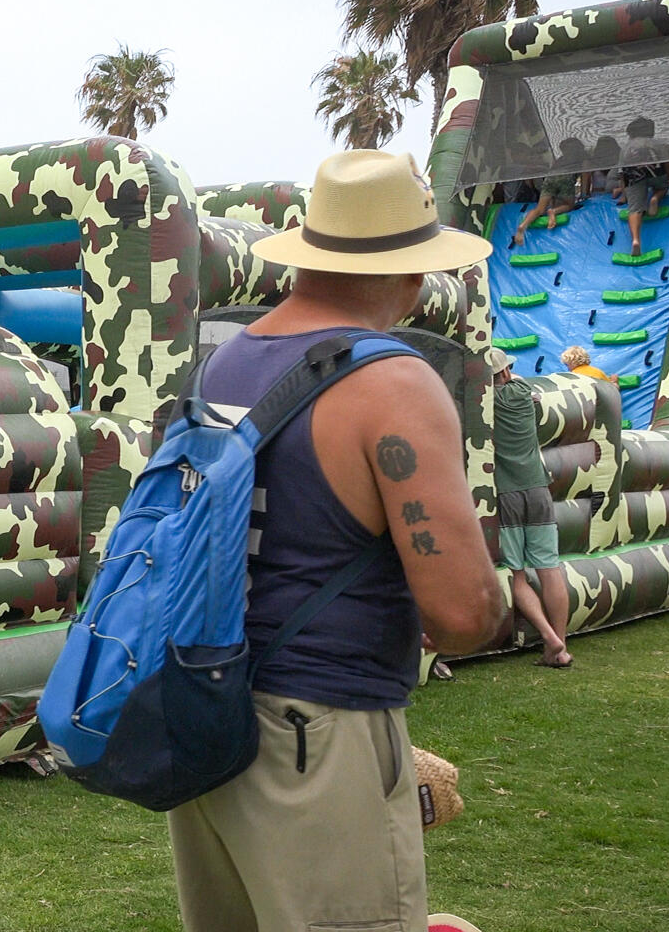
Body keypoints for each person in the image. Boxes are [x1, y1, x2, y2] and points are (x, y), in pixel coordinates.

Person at [168, 150, 504, 932]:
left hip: (211, 715)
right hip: (320, 732)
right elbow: (460, 612)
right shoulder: (395, 381)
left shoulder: (227, 361)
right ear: (414, 273)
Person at [488, 349, 573, 669]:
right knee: (550, 569)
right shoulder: (524, 392)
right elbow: (522, 382)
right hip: (539, 490)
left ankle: (549, 637)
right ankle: (559, 646)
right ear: (508, 371)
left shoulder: (486, 401)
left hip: (507, 494)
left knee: (517, 576)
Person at [511, 137, 588, 246]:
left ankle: (523, 225)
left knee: (539, 209)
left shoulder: (560, 159)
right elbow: (585, 175)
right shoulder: (582, 159)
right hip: (566, 178)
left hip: (550, 178)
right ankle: (553, 212)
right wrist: (584, 194)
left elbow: (552, 176)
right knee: (569, 205)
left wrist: (551, 201)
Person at [613, 116, 669, 257]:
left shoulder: (626, 148)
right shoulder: (656, 144)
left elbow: (622, 172)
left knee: (634, 209)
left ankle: (635, 240)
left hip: (633, 176)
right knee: (662, 187)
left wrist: (626, 194)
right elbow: (667, 165)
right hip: (655, 172)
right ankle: (655, 198)